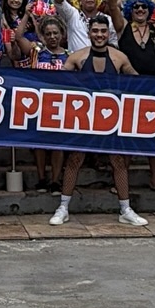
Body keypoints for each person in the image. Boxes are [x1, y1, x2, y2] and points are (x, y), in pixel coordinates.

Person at [49, 16, 148, 227]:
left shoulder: (120, 58)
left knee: (118, 161)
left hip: (111, 119)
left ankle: (125, 209)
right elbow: (57, 84)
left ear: (108, 32)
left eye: (103, 31)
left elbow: (138, 81)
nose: (99, 35)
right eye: (95, 31)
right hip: (84, 118)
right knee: (74, 159)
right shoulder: (77, 57)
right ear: (89, 32)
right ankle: (63, 207)